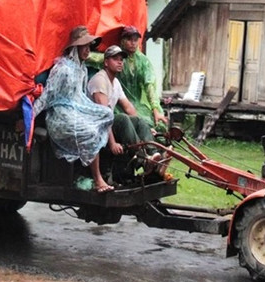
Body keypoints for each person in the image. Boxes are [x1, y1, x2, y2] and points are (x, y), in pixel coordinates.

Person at [32, 26, 114, 193]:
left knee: (107, 113)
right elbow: (47, 96)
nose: (87, 50)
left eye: (89, 47)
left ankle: (94, 172)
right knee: (90, 131)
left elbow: (81, 96)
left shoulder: (82, 69)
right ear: (75, 47)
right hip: (59, 115)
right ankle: (98, 179)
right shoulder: (63, 68)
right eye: (84, 46)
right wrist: (29, 119)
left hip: (75, 109)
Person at [87, 45, 164, 181]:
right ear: (106, 62)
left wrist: (146, 127)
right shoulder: (100, 80)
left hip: (107, 124)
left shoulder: (115, 82)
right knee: (122, 119)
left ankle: (154, 156)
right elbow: (103, 117)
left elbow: (129, 107)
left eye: (121, 59)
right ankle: (143, 160)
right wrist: (112, 143)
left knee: (139, 121)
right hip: (96, 126)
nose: (120, 62)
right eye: (115, 59)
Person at [118, 25, 169, 130]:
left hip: (136, 102)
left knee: (157, 123)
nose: (133, 43)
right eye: (129, 39)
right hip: (118, 102)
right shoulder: (117, 58)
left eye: (135, 40)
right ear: (123, 41)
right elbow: (99, 59)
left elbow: (149, 85)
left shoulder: (143, 61)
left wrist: (155, 108)